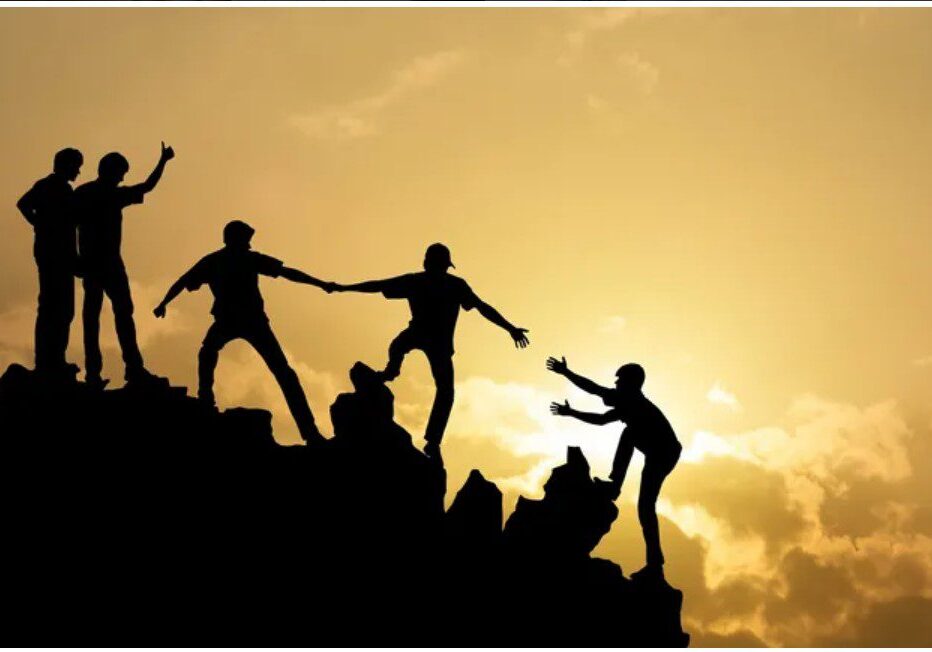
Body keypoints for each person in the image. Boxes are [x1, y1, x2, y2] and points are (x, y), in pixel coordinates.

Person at [334, 243, 529, 460]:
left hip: (433, 342)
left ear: (428, 263)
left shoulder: (440, 284)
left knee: (431, 376)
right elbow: (378, 286)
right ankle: (396, 380)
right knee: (431, 378)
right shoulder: (432, 283)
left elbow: (483, 307)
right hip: (428, 338)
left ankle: (428, 434)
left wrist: (510, 328)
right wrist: (343, 287)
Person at [154, 220, 331, 445]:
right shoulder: (238, 259)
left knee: (212, 354)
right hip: (241, 320)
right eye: (246, 239)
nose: (248, 244)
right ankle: (310, 433)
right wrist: (164, 302)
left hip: (246, 321)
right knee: (213, 354)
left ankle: (310, 432)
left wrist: (164, 303)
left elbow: (184, 281)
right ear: (236, 239)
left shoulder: (218, 260)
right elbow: (185, 282)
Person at [547, 357, 681, 580]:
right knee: (630, 435)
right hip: (659, 452)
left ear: (630, 383)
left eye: (619, 381)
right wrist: (568, 384)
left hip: (663, 453)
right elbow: (597, 402)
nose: (615, 385)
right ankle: (615, 486)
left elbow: (596, 401)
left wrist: (567, 384)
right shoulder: (627, 401)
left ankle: (655, 564)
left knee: (645, 507)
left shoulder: (633, 403)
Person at [76, 142, 175, 389]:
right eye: (121, 173)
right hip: (103, 264)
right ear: (111, 171)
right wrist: (163, 162)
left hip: (98, 263)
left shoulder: (85, 193)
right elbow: (147, 186)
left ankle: (103, 372)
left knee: (100, 316)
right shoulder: (106, 194)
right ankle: (124, 370)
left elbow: (145, 187)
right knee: (109, 316)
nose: (122, 179)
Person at [16, 148, 84, 379]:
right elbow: (23, 204)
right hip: (54, 254)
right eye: (76, 166)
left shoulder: (57, 188)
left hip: (58, 253)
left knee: (57, 309)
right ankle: (49, 362)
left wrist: (39, 224)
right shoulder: (50, 186)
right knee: (56, 308)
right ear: (65, 165)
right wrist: (39, 225)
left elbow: (24, 205)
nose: (78, 171)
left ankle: (53, 360)